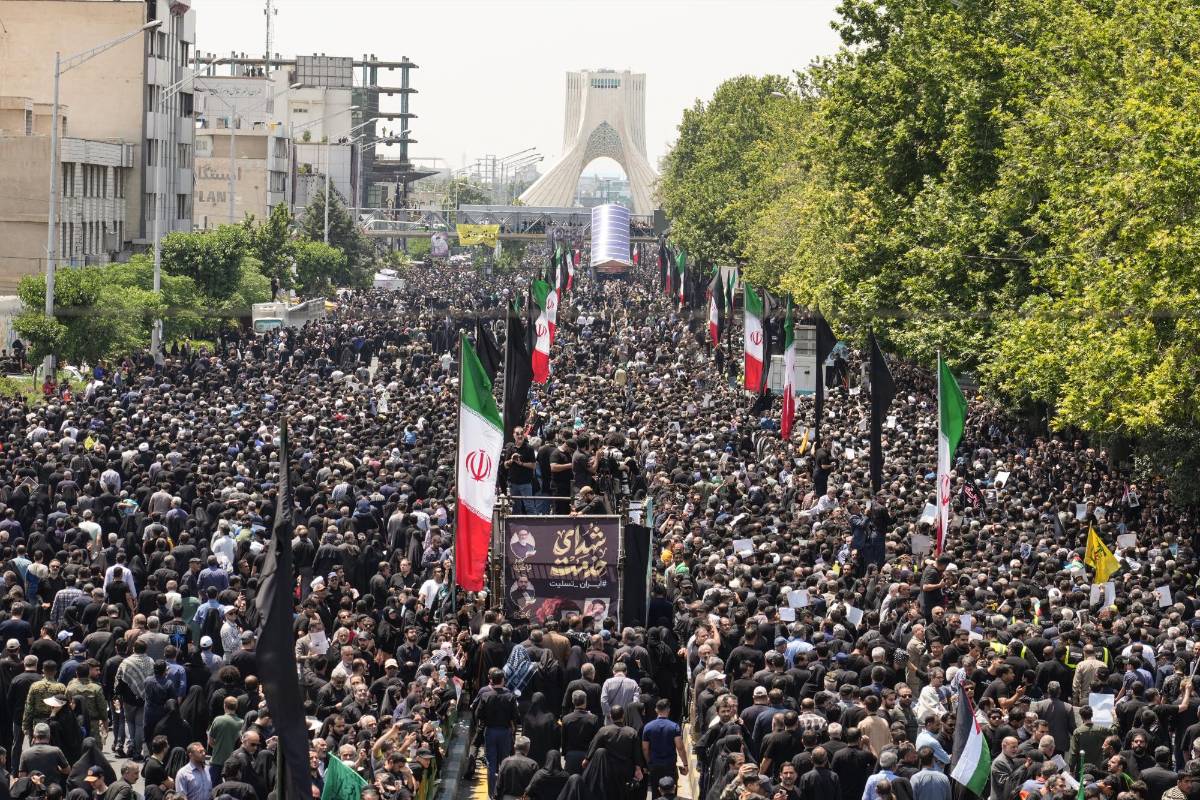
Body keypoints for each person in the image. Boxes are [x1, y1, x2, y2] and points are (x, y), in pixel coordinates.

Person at [472, 667, 520, 795]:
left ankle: (491, 793)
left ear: (491, 680)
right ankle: (502, 791)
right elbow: (515, 716)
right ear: (503, 680)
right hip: (505, 732)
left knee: (491, 763)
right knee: (504, 762)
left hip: (490, 732)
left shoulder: (486, 695)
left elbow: (478, 714)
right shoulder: (510, 696)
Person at [642, 699, 686, 797]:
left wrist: (649, 762)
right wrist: (685, 764)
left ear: (656, 710)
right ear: (668, 710)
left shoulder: (648, 727)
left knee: (656, 793)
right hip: (670, 765)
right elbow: (680, 747)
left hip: (655, 765)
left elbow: (645, 748)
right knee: (670, 793)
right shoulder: (674, 727)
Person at [493, 735, 538, 800]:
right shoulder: (533, 764)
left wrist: (496, 797)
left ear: (514, 747)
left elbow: (499, 784)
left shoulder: (505, 762)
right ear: (528, 748)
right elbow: (535, 787)